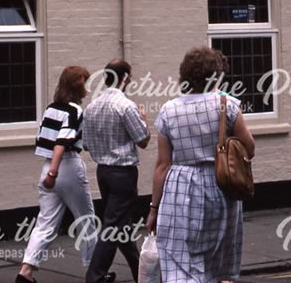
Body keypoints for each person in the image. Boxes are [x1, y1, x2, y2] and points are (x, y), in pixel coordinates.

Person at [145, 47, 256, 283]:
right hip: (220, 186)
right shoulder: (228, 106)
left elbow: (162, 165)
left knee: (180, 262)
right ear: (215, 75)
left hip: (179, 188)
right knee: (215, 263)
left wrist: (154, 209)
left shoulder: (168, 110)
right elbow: (250, 148)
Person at [16, 66, 97, 283]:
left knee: (45, 223)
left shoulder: (51, 109)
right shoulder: (75, 111)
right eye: (85, 84)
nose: (88, 89)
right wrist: (54, 171)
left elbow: (45, 140)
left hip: (46, 167)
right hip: (66, 166)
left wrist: (49, 171)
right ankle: (94, 272)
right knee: (86, 219)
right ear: (78, 87)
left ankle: (26, 271)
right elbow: (62, 141)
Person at [83, 60, 151, 283]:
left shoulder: (92, 107)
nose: (131, 81)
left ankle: (140, 271)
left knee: (121, 224)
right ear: (123, 78)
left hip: (103, 171)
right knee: (113, 224)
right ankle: (95, 275)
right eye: (129, 77)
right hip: (123, 172)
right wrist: (143, 120)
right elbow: (143, 140)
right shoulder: (126, 106)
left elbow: (86, 144)